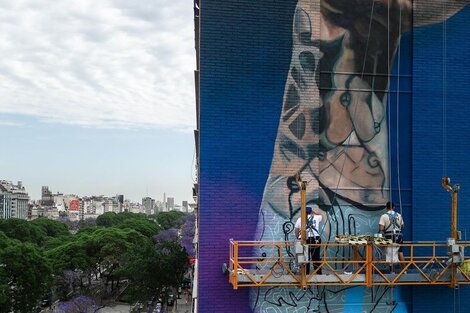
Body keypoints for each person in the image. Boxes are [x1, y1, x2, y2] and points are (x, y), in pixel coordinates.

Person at [295, 205, 322, 274]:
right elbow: (321, 215)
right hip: (315, 238)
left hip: (304, 238)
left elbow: (296, 230)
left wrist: (298, 237)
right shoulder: (317, 217)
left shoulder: (299, 219)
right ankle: (318, 273)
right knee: (316, 257)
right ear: (311, 211)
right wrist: (314, 213)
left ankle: (305, 274)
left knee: (304, 258)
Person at [379, 201, 405, 271]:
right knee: (400, 252)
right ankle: (404, 270)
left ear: (386, 208)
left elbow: (381, 228)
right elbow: (402, 226)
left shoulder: (384, 216)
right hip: (398, 236)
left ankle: (392, 271)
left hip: (389, 236)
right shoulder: (399, 215)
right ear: (394, 207)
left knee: (389, 252)